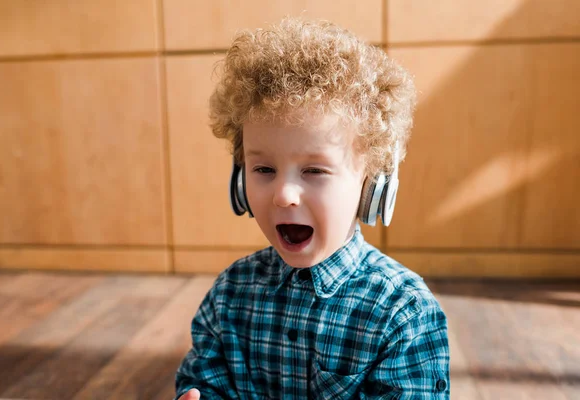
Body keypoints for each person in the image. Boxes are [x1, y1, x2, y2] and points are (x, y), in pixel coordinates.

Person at [175, 17, 450, 399]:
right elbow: (204, 380)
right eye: (264, 169)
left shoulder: (402, 313)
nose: (284, 194)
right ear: (240, 180)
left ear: (372, 185)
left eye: (315, 170)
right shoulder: (229, 296)